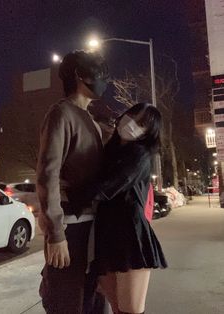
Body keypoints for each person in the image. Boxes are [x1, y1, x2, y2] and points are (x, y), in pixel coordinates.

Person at [36, 50, 109, 314]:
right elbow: (48, 173)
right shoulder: (61, 113)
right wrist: (56, 233)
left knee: (95, 302)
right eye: (99, 72)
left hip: (95, 229)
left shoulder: (92, 120)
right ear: (79, 75)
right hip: (70, 228)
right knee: (68, 302)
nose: (104, 79)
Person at [91, 103, 168, 314]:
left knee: (130, 309)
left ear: (148, 132)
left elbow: (109, 186)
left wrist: (70, 194)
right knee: (117, 308)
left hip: (131, 235)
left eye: (142, 124)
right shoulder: (112, 150)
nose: (132, 124)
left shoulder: (139, 154)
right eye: (132, 116)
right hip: (107, 234)